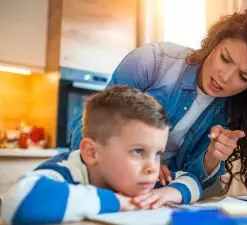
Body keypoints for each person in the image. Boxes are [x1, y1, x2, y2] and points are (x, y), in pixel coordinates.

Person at [70, 9, 247, 194]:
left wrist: (213, 156)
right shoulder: (152, 62)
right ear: (214, 43)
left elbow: (195, 181)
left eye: (243, 77)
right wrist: (143, 162)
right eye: (225, 58)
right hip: (99, 181)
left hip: (159, 196)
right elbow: (91, 129)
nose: (225, 77)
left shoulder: (233, 110)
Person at [1, 86, 202, 225]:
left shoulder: (143, 178)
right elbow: (18, 201)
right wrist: (121, 202)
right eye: (138, 151)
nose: (152, 167)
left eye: (158, 153)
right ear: (91, 152)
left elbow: (192, 182)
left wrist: (165, 194)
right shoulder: (67, 171)